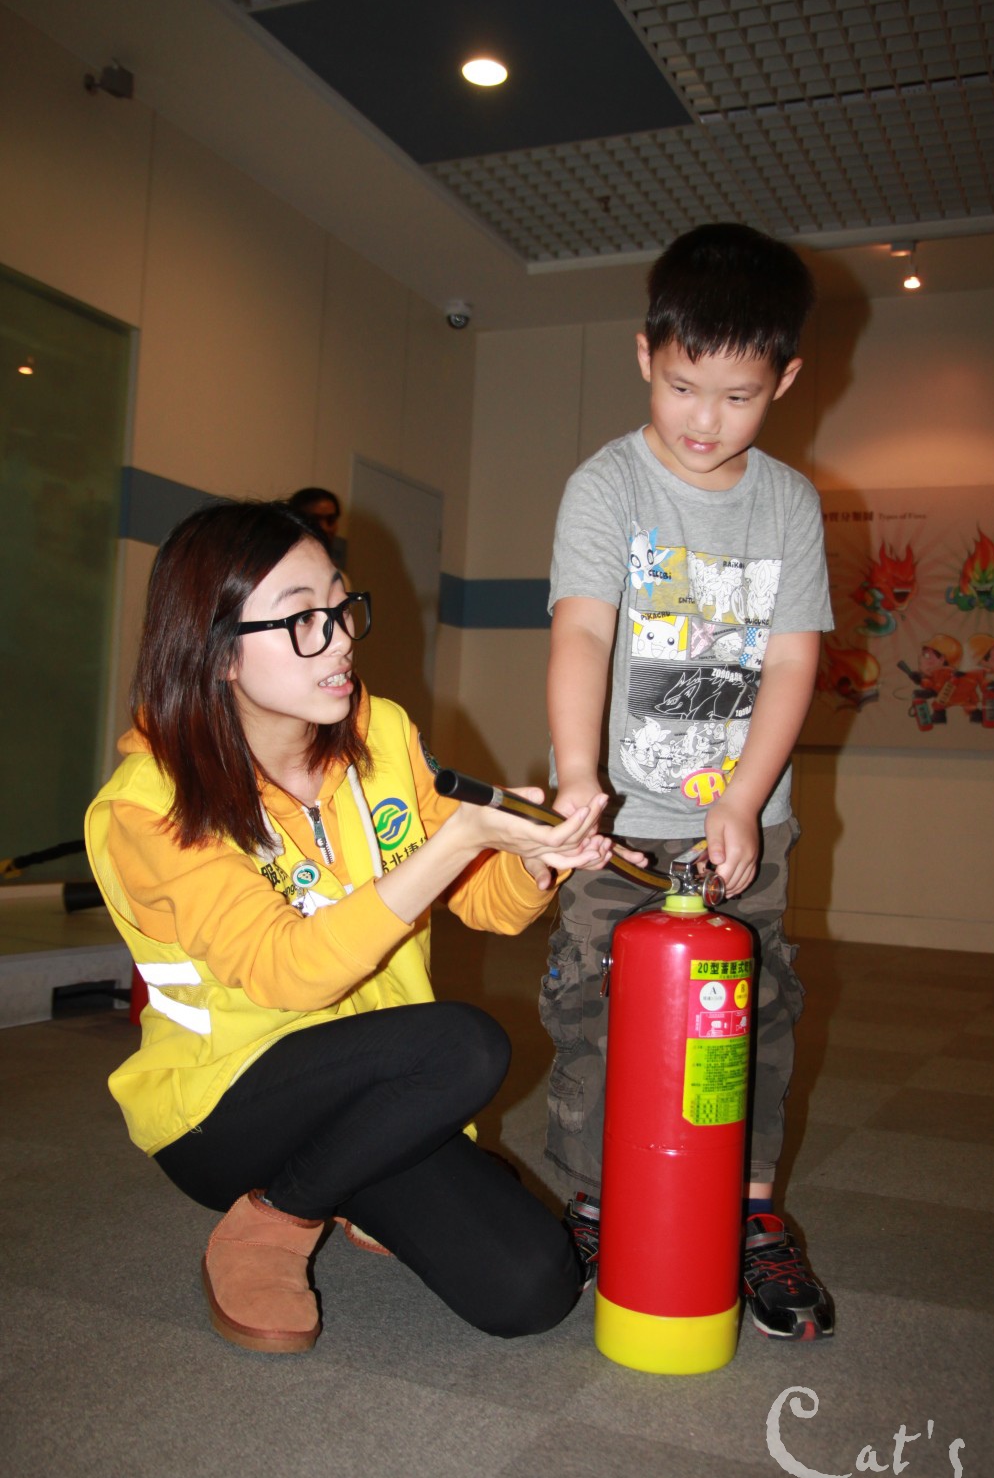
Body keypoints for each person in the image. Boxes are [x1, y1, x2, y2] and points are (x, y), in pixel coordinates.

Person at [86, 499, 616, 1354]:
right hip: (225, 1107)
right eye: (302, 619)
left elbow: (484, 902)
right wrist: (457, 841)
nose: (338, 640)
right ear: (217, 650)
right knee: (464, 1046)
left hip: (382, 1087)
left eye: (340, 607)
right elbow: (288, 972)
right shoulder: (146, 807)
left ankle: (350, 1177)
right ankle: (275, 1218)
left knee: (534, 1287)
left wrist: (533, 857)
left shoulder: (380, 731)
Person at [541, 223, 836, 1341]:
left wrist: (743, 799)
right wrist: (579, 776)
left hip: (738, 827)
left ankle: (750, 1211)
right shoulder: (607, 486)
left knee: (746, 1018)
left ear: (784, 381)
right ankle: (595, 1201)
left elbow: (793, 662)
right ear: (644, 355)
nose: (705, 420)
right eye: (681, 387)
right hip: (620, 831)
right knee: (594, 1009)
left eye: (739, 396)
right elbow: (581, 633)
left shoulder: (789, 504)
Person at [289, 485, 343, 554]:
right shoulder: (283, 555)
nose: (324, 528)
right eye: (314, 521)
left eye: (331, 520)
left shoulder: (340, 551)